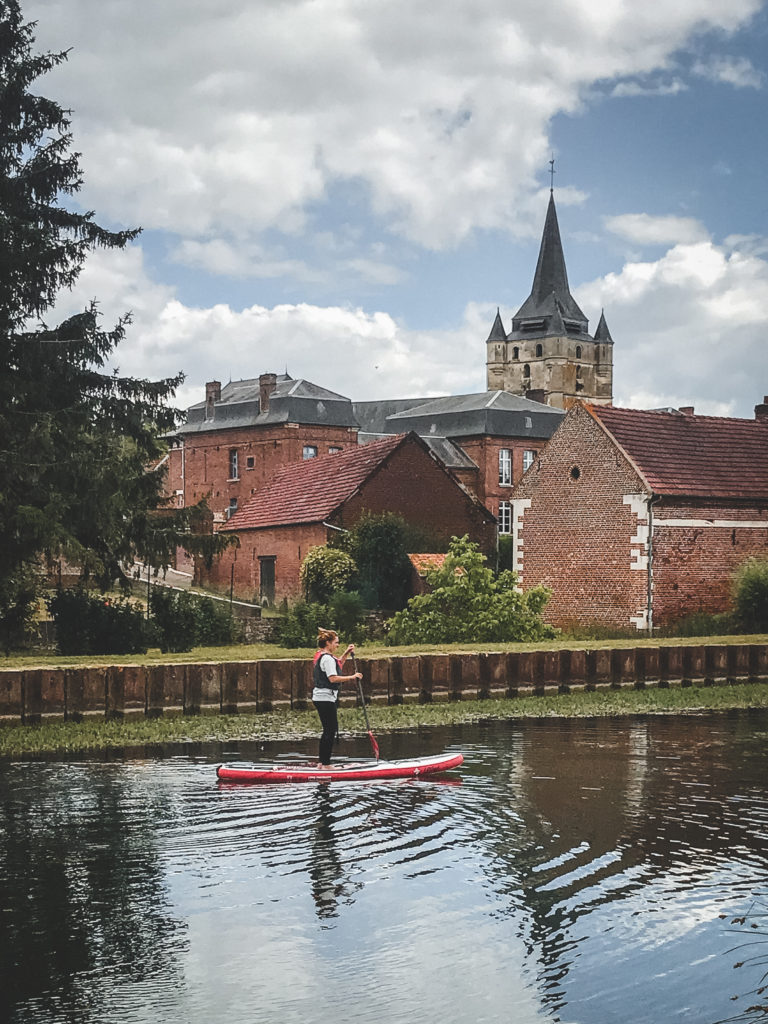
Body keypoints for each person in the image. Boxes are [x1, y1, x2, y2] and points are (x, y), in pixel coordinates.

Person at [312, 628, 362, 768]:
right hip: (325, 698)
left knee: (328, 730)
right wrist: (353, 677)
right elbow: (333, 678)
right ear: (328, 643)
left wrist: (346, 653)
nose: (337, 645)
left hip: (322, 697)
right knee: (330, 730)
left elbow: (338, 664)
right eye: (336, 643)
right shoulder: (327, 658)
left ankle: (322, 763)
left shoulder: (325, 656)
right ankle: (326, 764)